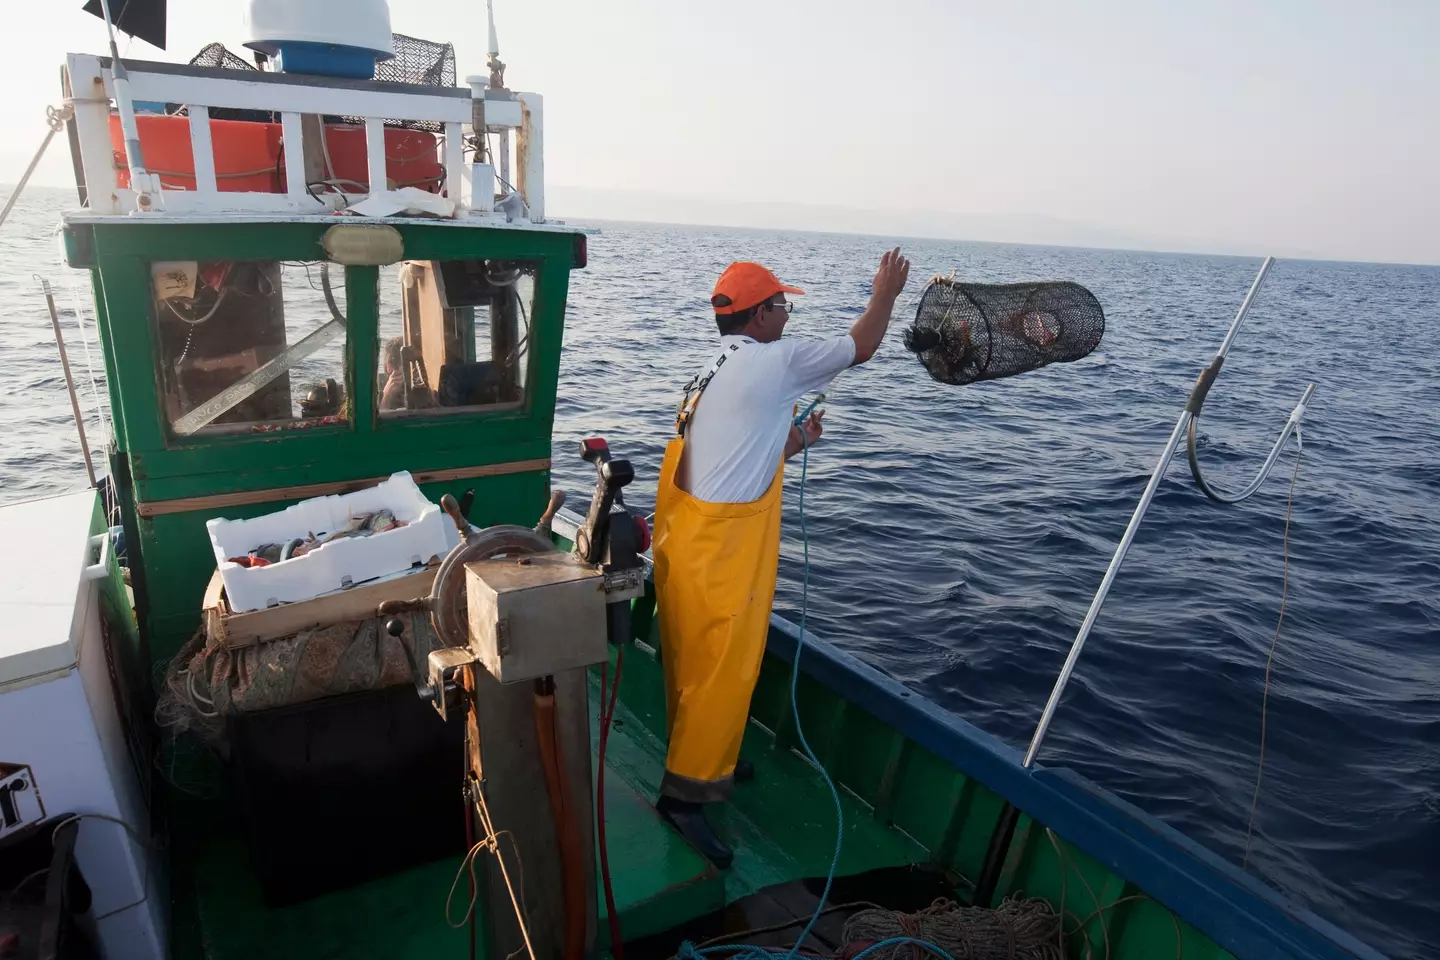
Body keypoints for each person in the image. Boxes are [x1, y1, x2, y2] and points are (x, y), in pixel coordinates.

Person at [651, 248, 911, 867]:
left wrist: (793, 441)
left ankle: (708, 758)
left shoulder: (714, 368)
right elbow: (861, 346)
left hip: (686, 541)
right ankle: (683, 799)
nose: (788, 316)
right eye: (782, 306)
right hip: (724, 553)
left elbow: (732, 454)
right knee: (722, 669)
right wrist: (886, 295)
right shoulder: (775, 362)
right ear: (759, 314)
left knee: (692, 661)